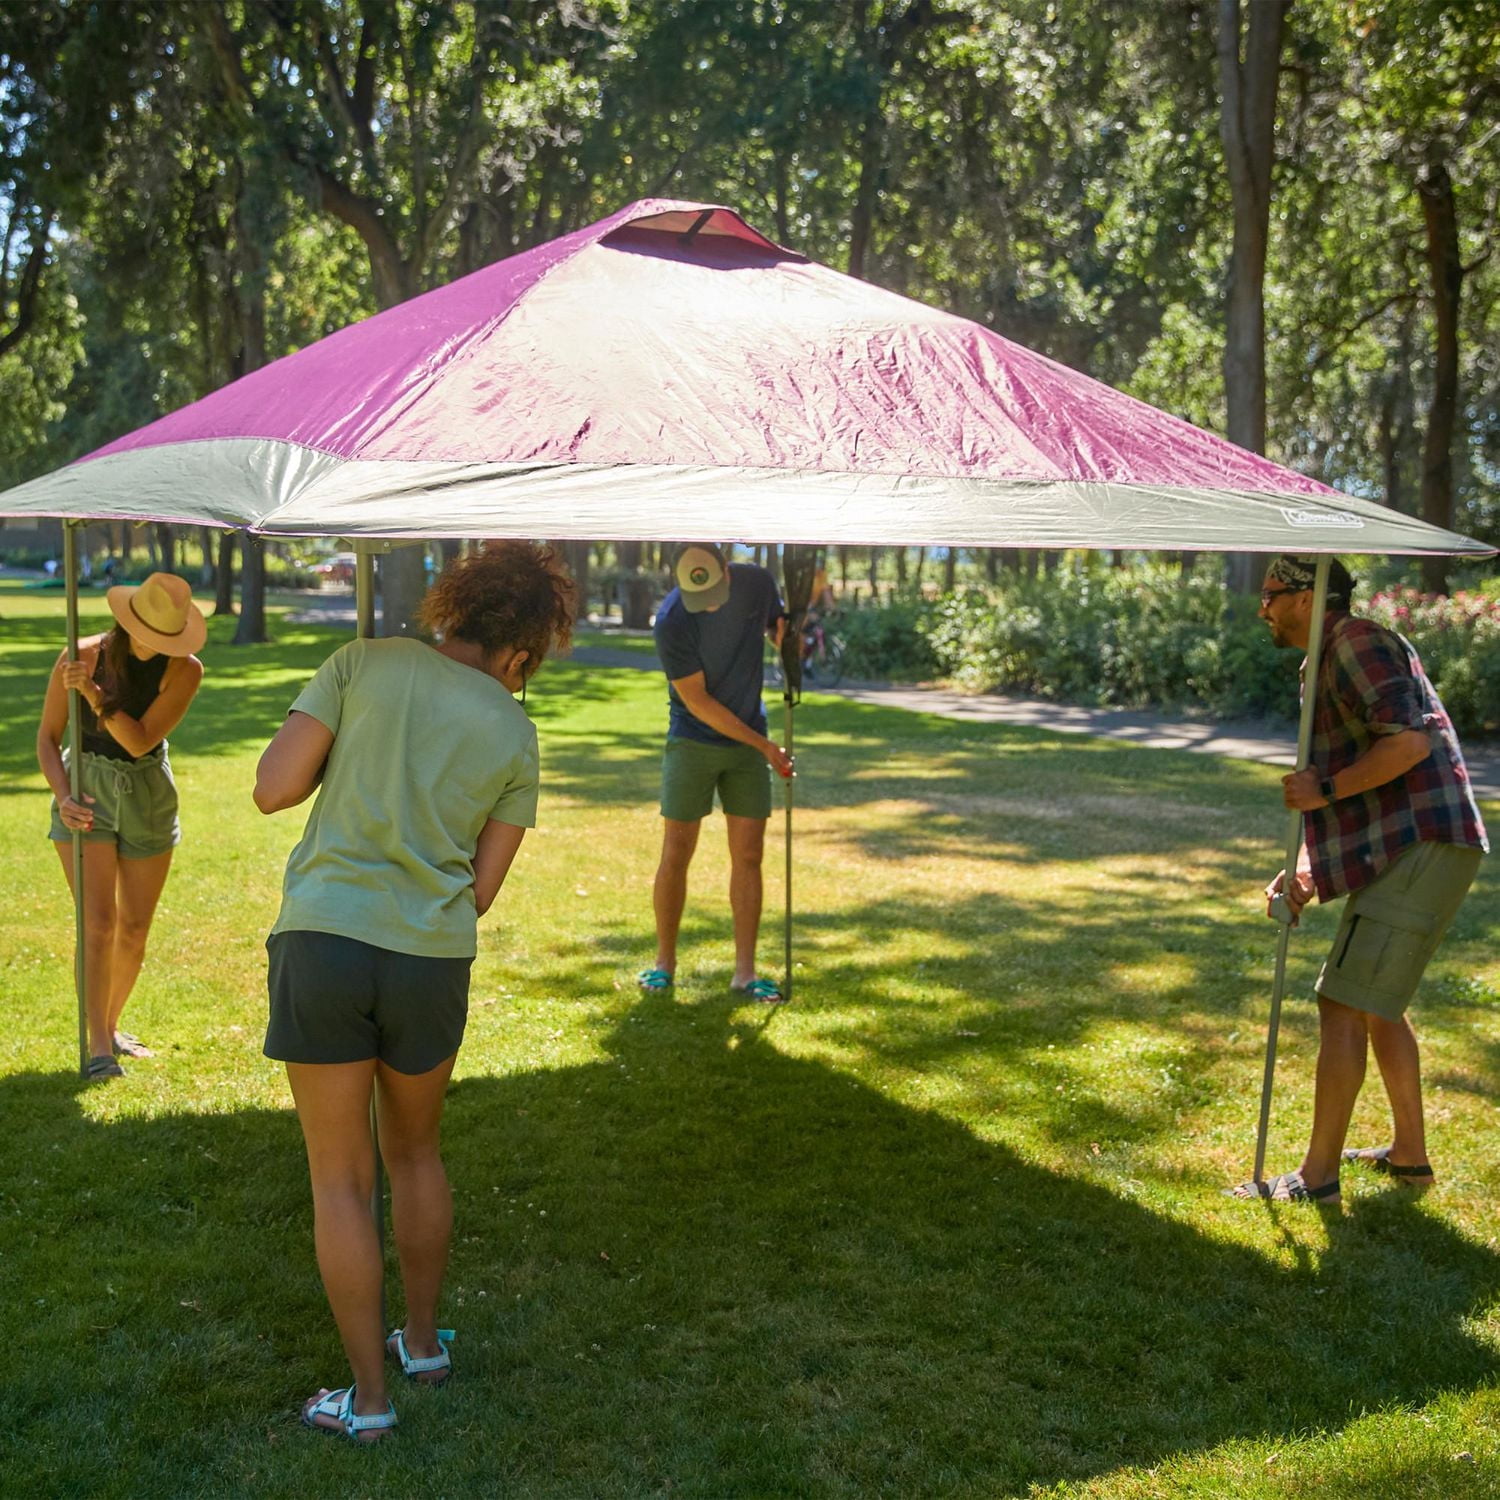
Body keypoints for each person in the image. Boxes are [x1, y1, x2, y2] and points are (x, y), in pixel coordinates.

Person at [254, 542, 573, 1443]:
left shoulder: (362, 661)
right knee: (416, 1157)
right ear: (523, 648)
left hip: (324, 942)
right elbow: (481, 890)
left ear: (455, 608)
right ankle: (423, 1345)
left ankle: (368, 1401)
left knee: (340, 1181)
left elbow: (273, 789)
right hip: (431, 956)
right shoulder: (516, 731)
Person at [1231, 555, 1487, 1204]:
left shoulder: (1356, 641)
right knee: (1375, 1005)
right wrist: (1308, 874)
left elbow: (1407, 744)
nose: (1263, 607)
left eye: (1272, 595)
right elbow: (1368, 784)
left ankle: (1315, 1180)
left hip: (1424, 844)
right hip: (1411, 844)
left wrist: (1323, 788)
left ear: (1309, 597)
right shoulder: (1332, 654)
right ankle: (1410, 1158)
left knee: (1342, 1001)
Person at [37, 571, 207, 1079]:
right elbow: (47, 738)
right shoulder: (80, 656)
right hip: (87, 790)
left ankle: (108, 1027)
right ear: (127, 621)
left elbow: (139, 741)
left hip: (148, 793)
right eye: (149, 633)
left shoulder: (185, 670)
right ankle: (97, 1049)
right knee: (98, 923)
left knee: (133, 928)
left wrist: (92, 695)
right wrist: (63, 797)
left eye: (167, 638)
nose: (157, 645)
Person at [639, 543, 792, 1003]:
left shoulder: (758, 583)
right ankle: (665, 963)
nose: (705, 603)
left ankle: (744, 973)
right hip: (693, 741)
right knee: (677, 851)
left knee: (748, 856)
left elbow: (777, 629)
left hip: (749, 741)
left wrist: (786, 635)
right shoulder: (672, 622)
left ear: (727, 569)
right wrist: (764, 746)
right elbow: (698, 701)